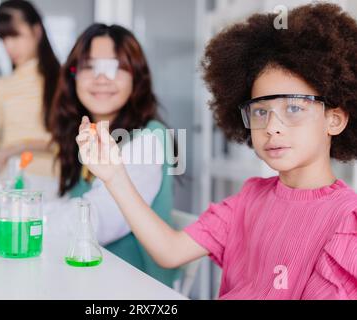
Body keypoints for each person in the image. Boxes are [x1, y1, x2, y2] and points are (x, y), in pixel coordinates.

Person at [75, 3, 357, 299]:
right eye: (260, 112)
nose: (272, 126)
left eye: (294, 108)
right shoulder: (249, 198)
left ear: (334, 119)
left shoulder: (346, 221)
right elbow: (170, 251)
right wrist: (114, 175)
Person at [48, 23, 179, 287]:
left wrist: (13, 217)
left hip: (135, 289)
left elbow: (95, 222)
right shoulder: (85, 133)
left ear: (137, 77)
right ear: (73, 75)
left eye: (116, 67)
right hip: (85, 279)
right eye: (89, 67)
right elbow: (67, 205)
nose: (102, 79)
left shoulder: (149, 137)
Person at [0, 0, 60, 181]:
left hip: (50, 184)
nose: (9, 46)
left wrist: (13, 149)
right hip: (7, 182)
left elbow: (65, 142)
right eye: (3, 38)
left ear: (37, 31)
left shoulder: (60, 81)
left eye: (15, 36)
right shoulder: (1, 86)